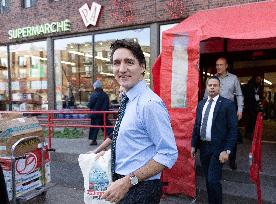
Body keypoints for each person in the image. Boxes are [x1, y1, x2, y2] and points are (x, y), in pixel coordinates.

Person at [101, 39, 178, 204]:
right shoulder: (128, 99)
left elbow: (168, 154)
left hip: (140, 189)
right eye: (116, 63)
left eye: (129, 62)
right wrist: (105, 156)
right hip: (123, 183)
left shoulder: (149, 103)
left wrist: (127, 182)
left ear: (142, 67)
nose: (122, 69)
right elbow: (134, 144)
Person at [192, 76, 238, 204]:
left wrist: (227, 150)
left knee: (213, 180)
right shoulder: (201, 104)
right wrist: (193, 145)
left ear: (219, 87)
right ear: (206, 87)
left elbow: (233, 130)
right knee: (208, 179)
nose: (212, 87)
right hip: (204, 147)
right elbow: (197, 125)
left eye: (215, 85)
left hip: (218, 149)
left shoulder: (227, 104)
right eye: (210, 85)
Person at [205, 57, 243, 170]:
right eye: (217, 65)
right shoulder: (212, 78)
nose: (218, 67)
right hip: (215, 110)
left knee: (232, 133)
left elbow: (239, 95)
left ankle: (232, 159)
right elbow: (206, 95)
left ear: (226, 66)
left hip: (229, 110)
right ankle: (216, 157)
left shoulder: (233, 78)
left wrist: (240, 109)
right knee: (217, 133)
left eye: (221, 65)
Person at [87, 80, 113, 145]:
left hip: (95, 114)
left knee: (94, 128)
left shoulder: (94, 94)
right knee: (107, 127)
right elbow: (108, 104)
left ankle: (93, 140)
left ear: (95, 87)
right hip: (103, 114)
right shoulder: (105, 95)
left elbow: (90, 105)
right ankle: (114, 137)